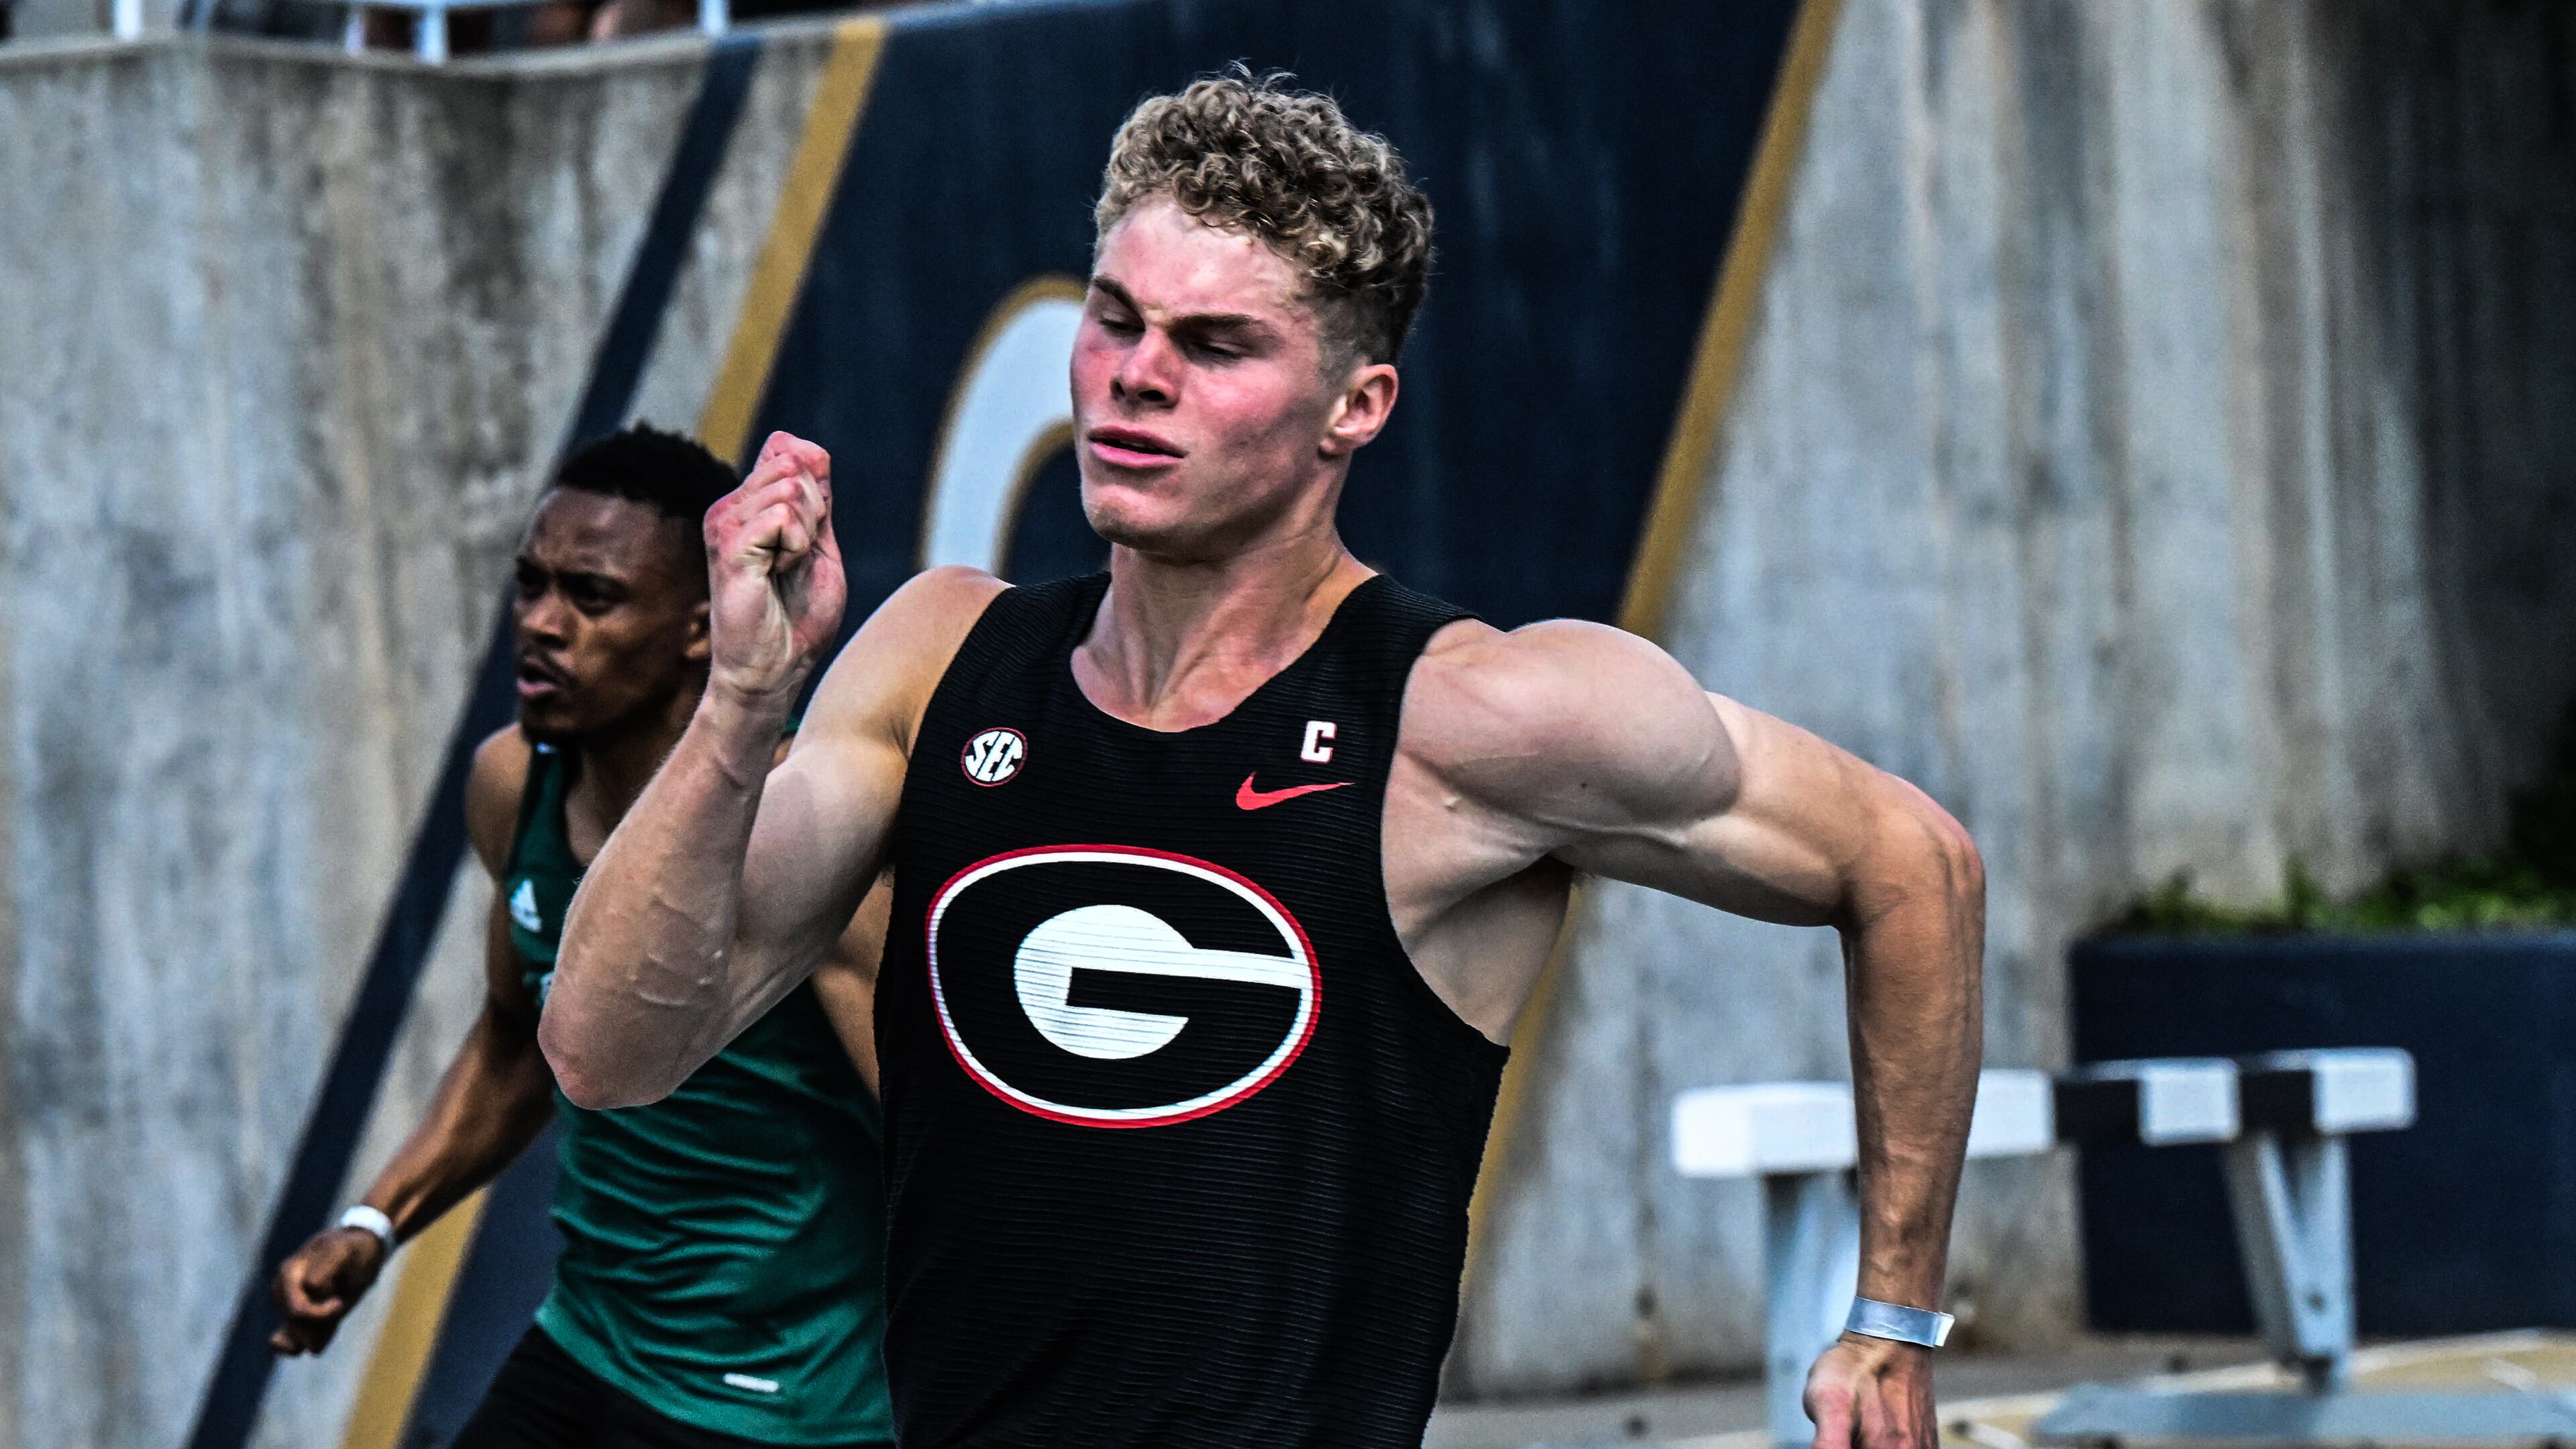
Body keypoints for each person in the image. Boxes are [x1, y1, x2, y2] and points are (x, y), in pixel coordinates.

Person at [543, 76, 1985, 1449]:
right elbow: (608, 1051)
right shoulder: (940, 664)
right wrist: (743, 702)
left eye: (1214, 346)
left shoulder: (1470, 719)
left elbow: (1912, 864)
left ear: (1356, 407)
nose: (1133, 380)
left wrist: (1893, 1312)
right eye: (1115, 320)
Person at [268, 424, 896, 1449]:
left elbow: (955, 1144)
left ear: (704, 627)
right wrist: (374, 1222)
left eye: (592, 598)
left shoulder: (800, 831)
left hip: (792, 1412)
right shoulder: (514, 788)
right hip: (588, 1348)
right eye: (530, 586)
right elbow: (520, 1042)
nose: (540, 627)